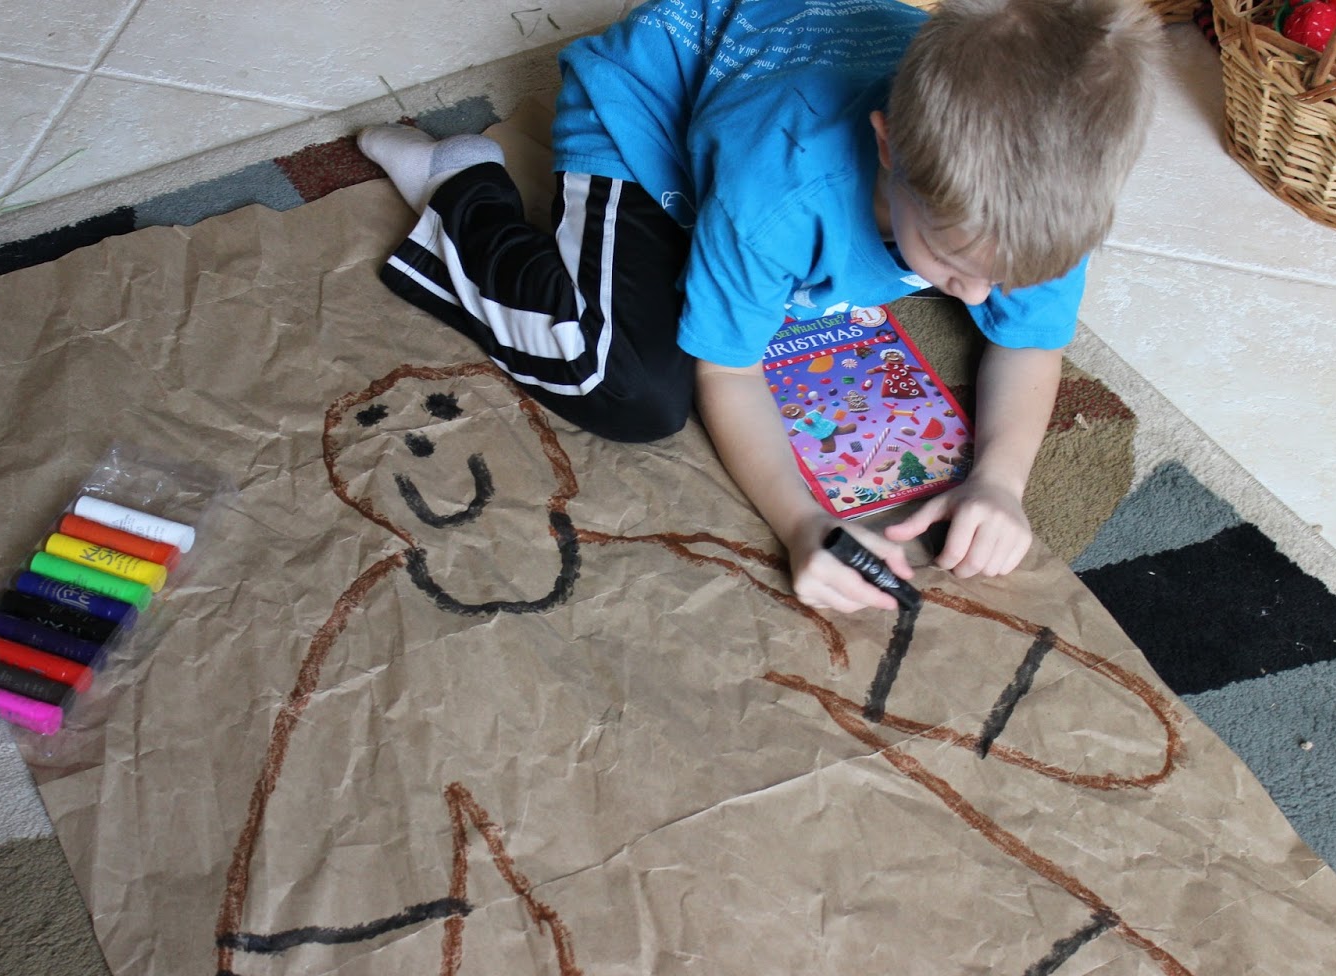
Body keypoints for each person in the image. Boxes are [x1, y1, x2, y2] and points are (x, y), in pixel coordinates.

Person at [356, 0, 1163, 614]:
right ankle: (460, 189)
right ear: (888, 148)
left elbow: (1030, 341)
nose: (981, 297)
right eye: (954, 266)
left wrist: (1000, 481)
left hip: (771, 71)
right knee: (626, 385)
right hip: (647, 114)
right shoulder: (780, 192)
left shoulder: (1047, 199)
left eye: (1009, 275)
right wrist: (802, 522)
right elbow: (728, 371)